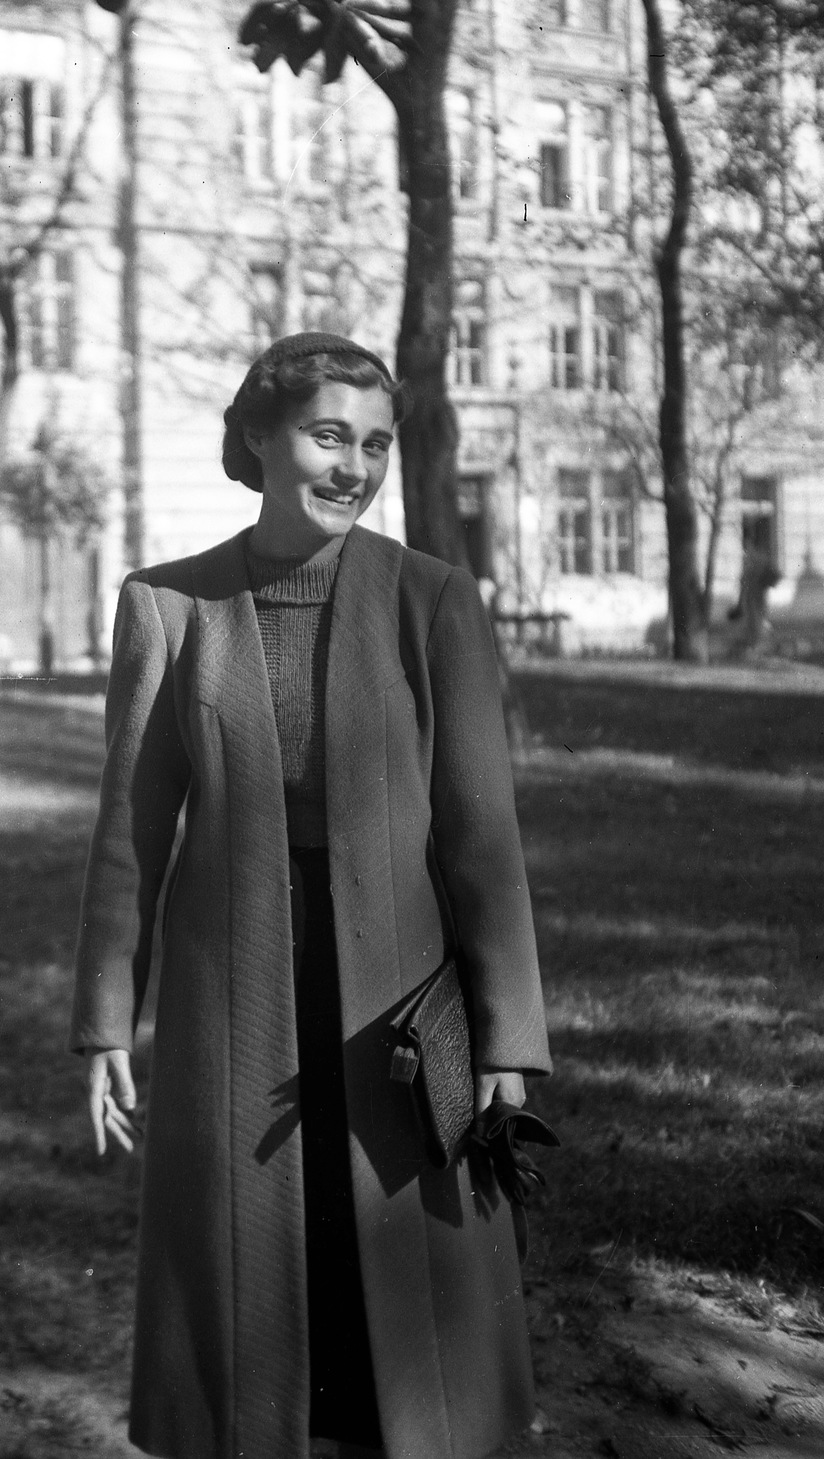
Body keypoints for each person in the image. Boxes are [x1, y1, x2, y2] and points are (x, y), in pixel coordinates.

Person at [70, 333, 552, 1459]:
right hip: (231, 1005)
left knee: (410, 1304)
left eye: (374, 444)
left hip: (396, 1006)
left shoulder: (428, 600)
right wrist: (105, 1015)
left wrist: (506, 1034)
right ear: (256, 438)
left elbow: (482, 840)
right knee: (250, 1292)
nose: (354, 467)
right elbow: (130, 834)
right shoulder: (167, 607)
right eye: (328, 434)